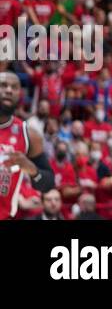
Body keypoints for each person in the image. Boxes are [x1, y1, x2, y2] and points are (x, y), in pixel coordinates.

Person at [0, 71, 56, 220]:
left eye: (15, 87)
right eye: (3, 85)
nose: (9, 90)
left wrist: (32, 170)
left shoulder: (28, 135)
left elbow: (48, 183)